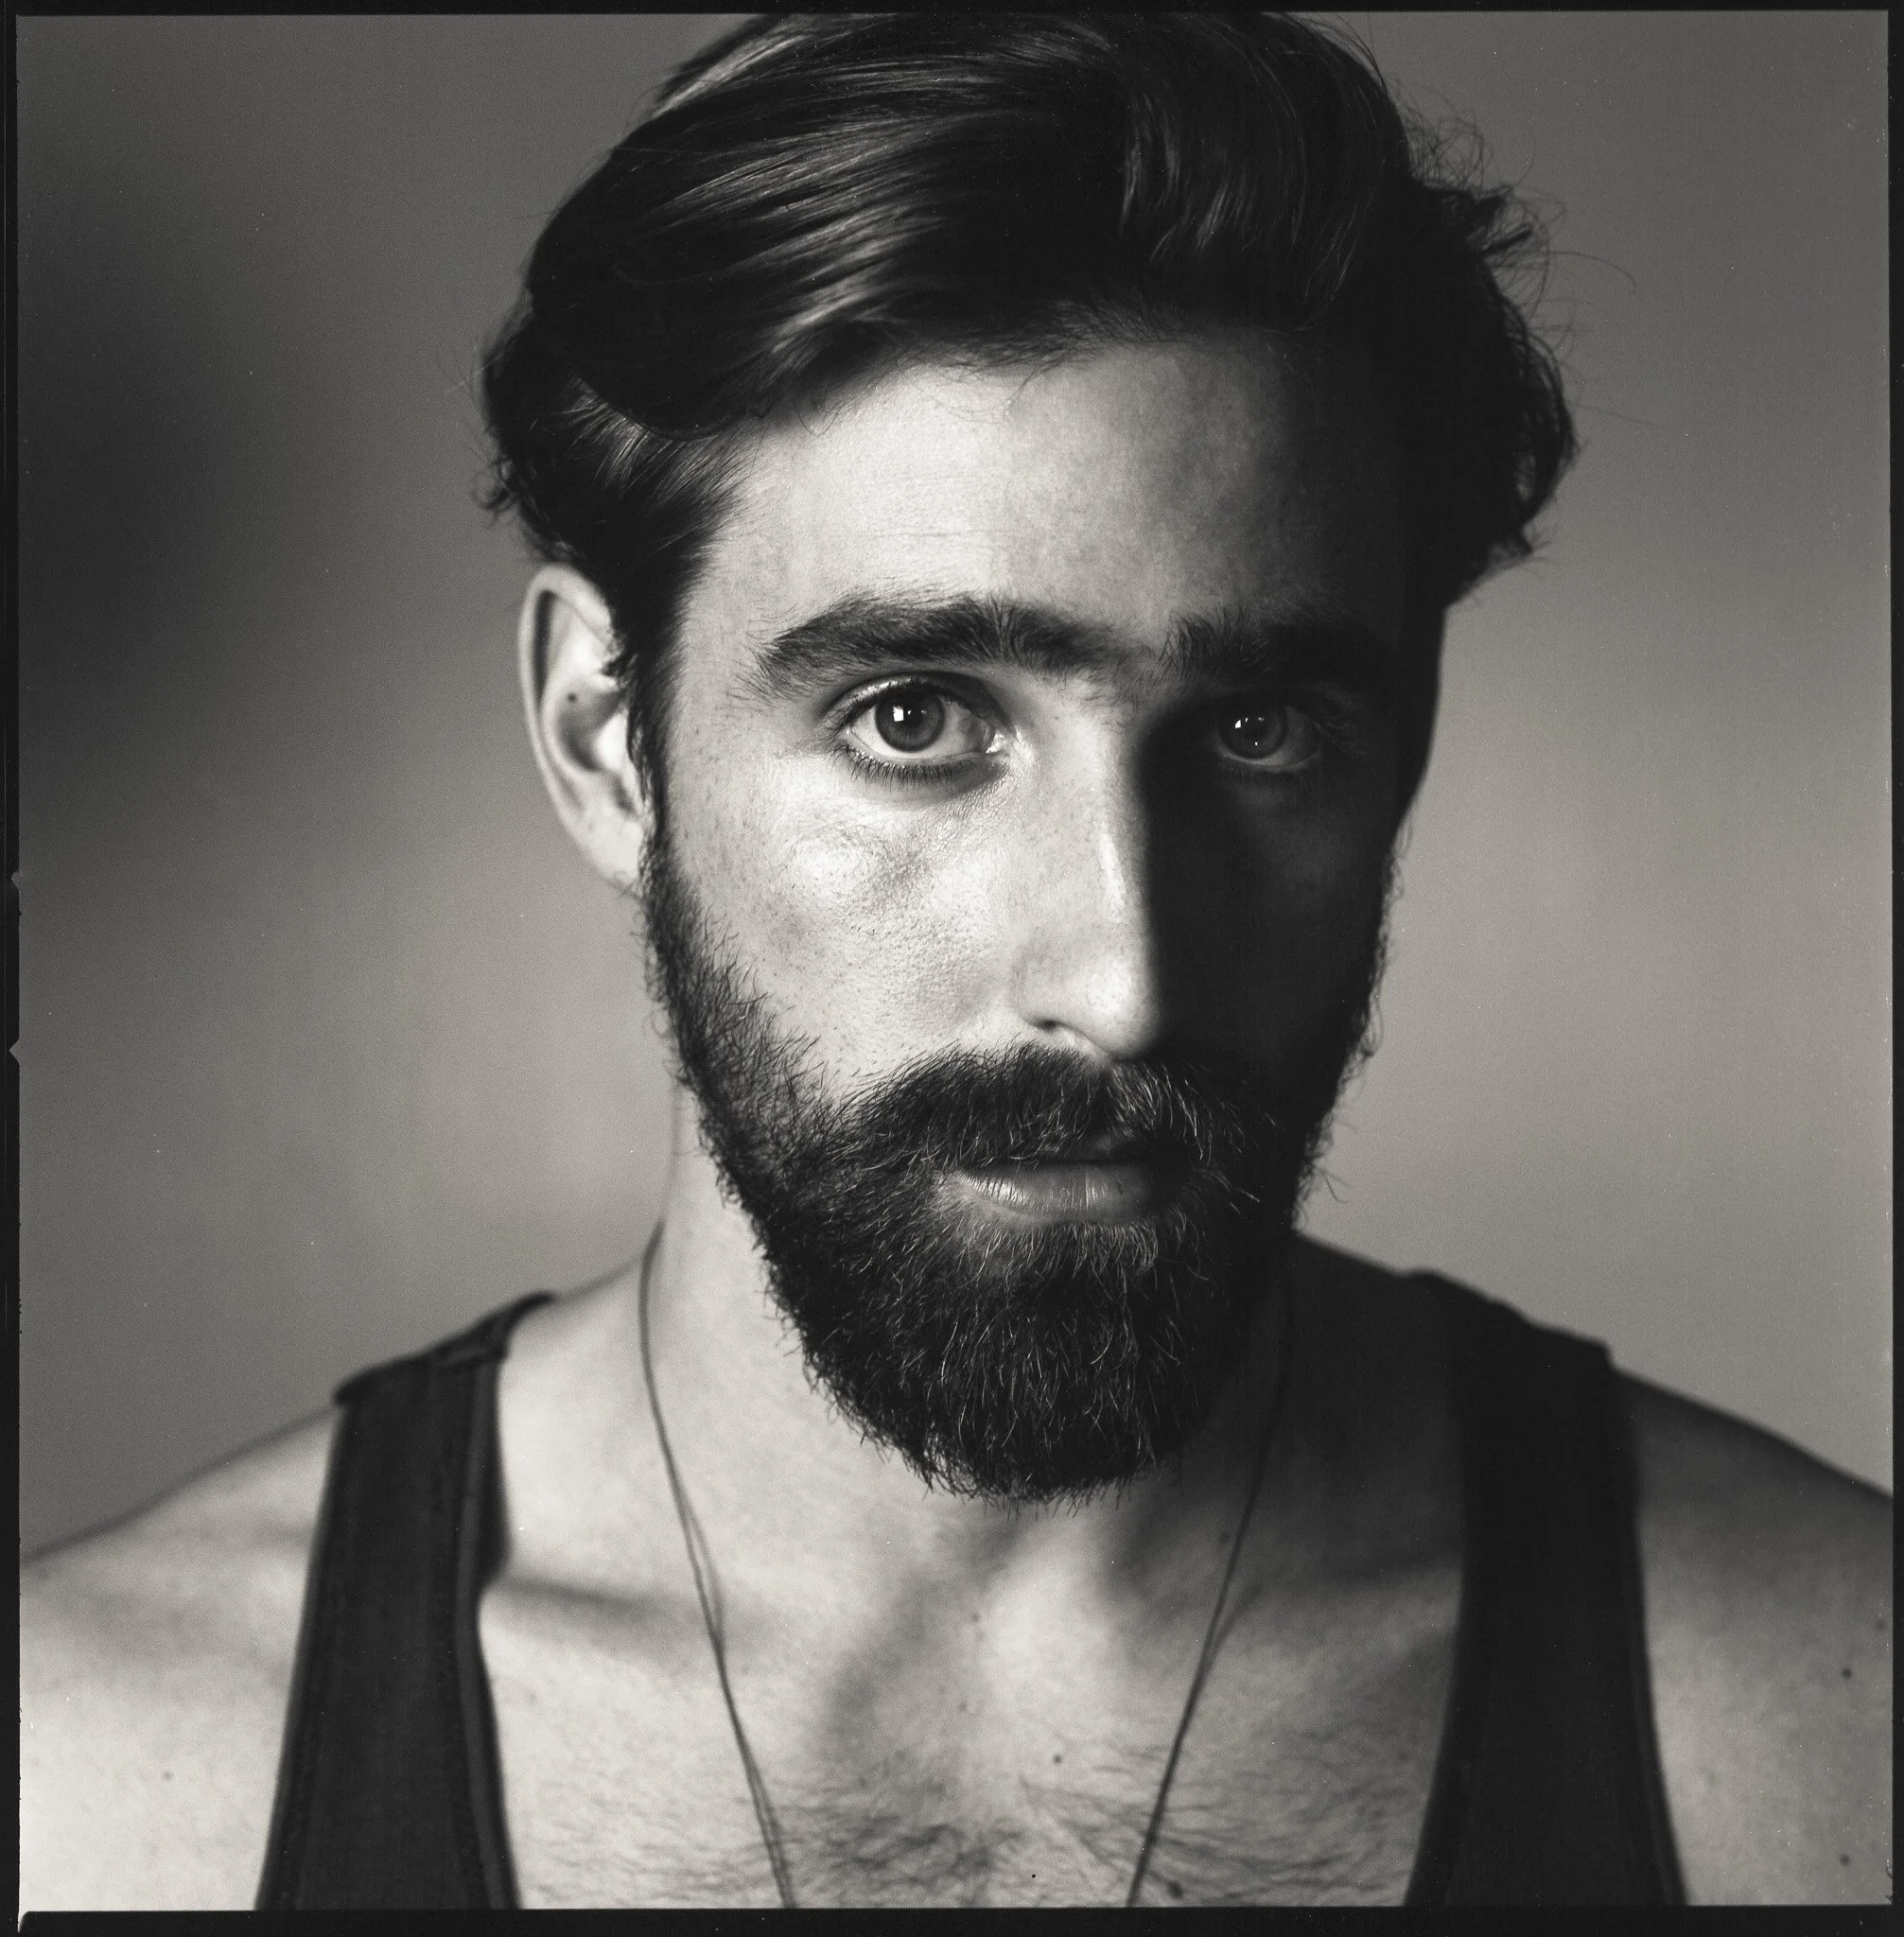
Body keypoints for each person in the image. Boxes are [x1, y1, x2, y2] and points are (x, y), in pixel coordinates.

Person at [20, 13, 1889, 1911]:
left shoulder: (1832, 1729)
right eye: (917, 719)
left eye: (1260, 732)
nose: (1124, 976)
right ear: (606, 734)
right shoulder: (94, 1789)